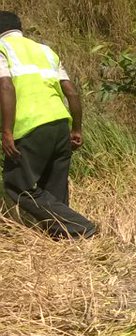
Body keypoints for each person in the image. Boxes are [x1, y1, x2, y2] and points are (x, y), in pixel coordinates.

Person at [0, 12, 96, 238]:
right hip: (60, 123)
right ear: (19, 27)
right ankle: (64, 237)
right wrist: (76, 128)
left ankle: (82, 227)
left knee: (17, 186)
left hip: (29, 126)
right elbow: (71, 91)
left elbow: (5, 86)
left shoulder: (2, 49)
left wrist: (6, 131)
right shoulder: (45, 50)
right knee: (54, 186)